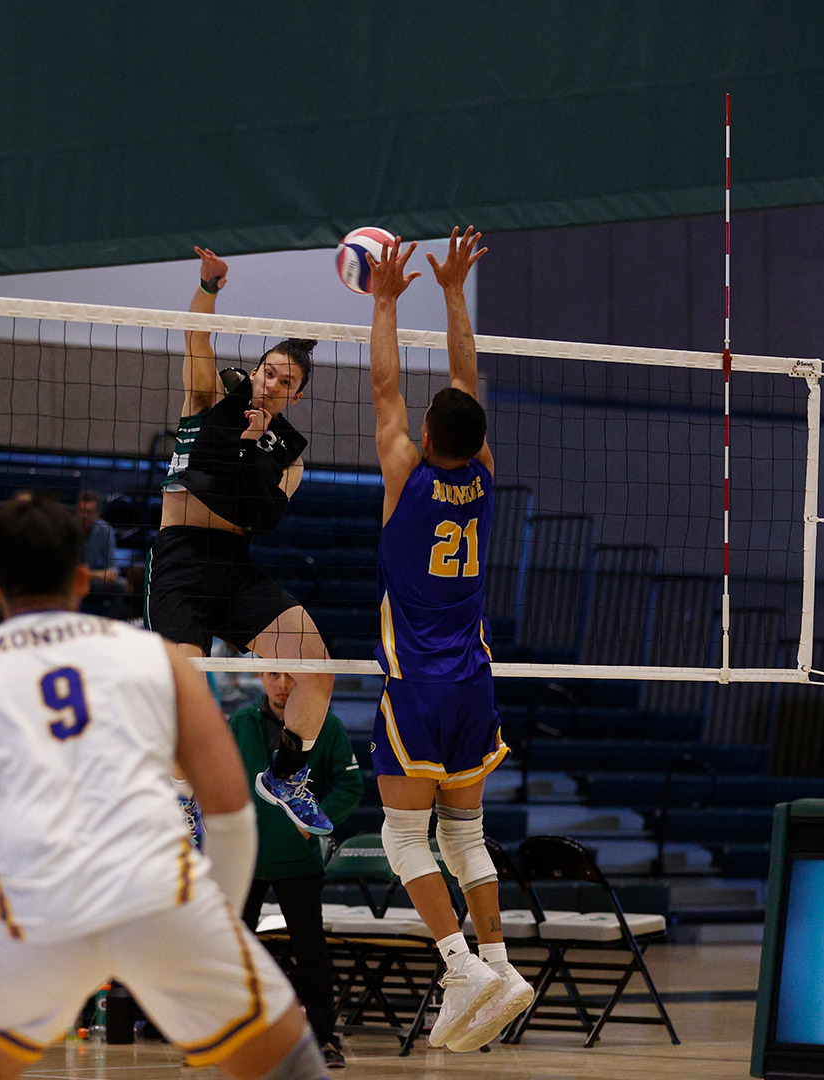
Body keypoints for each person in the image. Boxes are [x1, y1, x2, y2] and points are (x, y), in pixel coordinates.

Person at [0, 496, 330, 1080]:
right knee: (292, 1067)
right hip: (160, 897)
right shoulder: (155, 659)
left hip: (38, 914)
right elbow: (230, 810)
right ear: (83, 579)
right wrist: (221, 920)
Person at [364, 230, 530, 1051]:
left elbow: (384, 382)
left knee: (402, 835)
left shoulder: (407, 471)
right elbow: (466, 381)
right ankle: (499, 963)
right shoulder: (484, 471)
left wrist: (386, 299)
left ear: (427, 438)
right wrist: (455, 292)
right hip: (474, 678)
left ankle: (459, 963)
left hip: (417, 683)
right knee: (464, 832)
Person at [151, 246, 333, 836]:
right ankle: (183, 800)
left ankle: (286, 775)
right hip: (180, 560)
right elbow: (195, 341)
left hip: (232, 565)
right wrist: (209, 288)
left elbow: (266, 516)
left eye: (288, 381)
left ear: (295, 396)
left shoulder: (290, 456)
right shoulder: (210, 399)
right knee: (186, 694)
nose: (274, 383)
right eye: (270, 372)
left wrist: (257, 449)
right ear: (255, 372)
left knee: (318, 667)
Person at [228, 671, 363, 1067]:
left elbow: (350, 786)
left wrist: (311, 824)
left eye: (290, 676)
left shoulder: (326, 726)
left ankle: (325, 1040)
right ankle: (231, 1037)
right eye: (274, 675)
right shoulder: (240, 723)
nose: (283, 684)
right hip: (246, 858)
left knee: (311, 955)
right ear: (260, 677)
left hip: (298, 861)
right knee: (233, 953)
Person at [76, 491, 128, 618]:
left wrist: (90, 574)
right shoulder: (68, 528)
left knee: (122, 586)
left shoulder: (105, 530)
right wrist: (97, 574)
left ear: (97, 514)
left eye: (88, 512)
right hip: (72, 583)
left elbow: (113, 571)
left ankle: (112, 624)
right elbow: (66, 571)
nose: (84, 515)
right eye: (81, 510)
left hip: (93, 583)